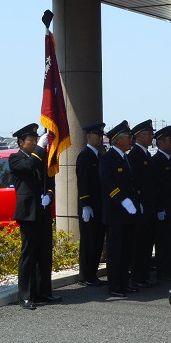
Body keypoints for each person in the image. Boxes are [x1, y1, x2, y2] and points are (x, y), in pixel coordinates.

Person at [9, 123, 61, 310]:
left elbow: (49, 180)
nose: (33, 142)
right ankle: (25, 296)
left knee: (44, 253)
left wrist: (49, 195)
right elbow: (30, 165)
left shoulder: (40, 157)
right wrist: (40, 146)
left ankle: (43, 292)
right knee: (29, 255)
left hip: (43, 211)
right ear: (21, 142)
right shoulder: (15, 159)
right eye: (30, 140)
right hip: (28, 213)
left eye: (35, 139)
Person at [99, 120, 141, 297]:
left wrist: (135, 201)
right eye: (128, 137)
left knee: (127, 250)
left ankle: (124, 282)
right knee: (115, 252)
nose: (131, 140)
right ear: (118, 139)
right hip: (116, 213)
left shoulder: (125, 158)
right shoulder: (108, 158)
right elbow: (108, 183)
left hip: (128, 213)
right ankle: (115, 286)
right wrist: (123, 200)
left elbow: (131, 183)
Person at [75, 122, 106, 286]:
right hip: (89, 206)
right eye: (97, 135)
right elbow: (83, 182)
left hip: (99, 206)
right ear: (88, 136)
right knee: (88, 241)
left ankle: (92, 274)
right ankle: (85, 275)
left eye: (101, 135)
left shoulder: (99, 156)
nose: (100, 138)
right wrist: (85, 204)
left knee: (98, 240)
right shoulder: (85, 155)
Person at [127, 119, 157, 288]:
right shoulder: (134, 156)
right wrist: (138, 201)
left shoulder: (146, 154)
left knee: (147, 242)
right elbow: (135, 182)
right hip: (141, 206)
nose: (151, 137)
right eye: (149, 134)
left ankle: (144, 275)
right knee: (140, 243)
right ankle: (138, 276)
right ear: (139, 136)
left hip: (150, 205)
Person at [151, 125, 171, 280]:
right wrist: (159, 208)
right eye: (170, 140)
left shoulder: (170, 160)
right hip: (164, 209)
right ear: (161, 143)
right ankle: (163, 271)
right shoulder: (156, 161)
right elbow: (155, 187)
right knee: (164, 242)